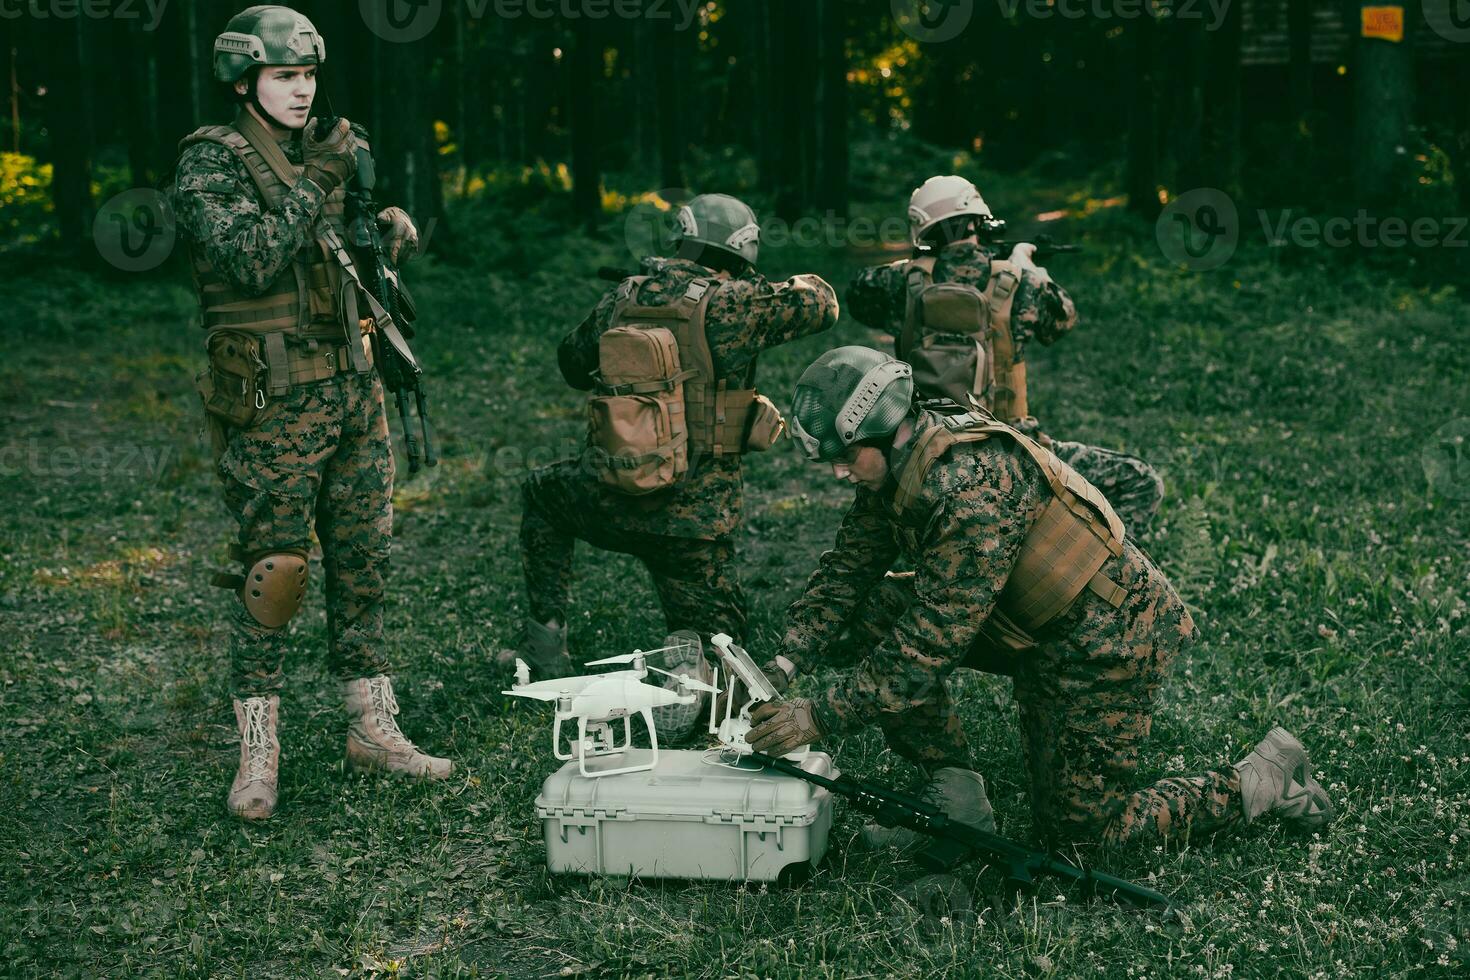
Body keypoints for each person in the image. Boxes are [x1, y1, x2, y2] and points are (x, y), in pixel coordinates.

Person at [745, 346, 1332, 851]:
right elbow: (850, 568)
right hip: (1028, 626)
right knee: (874, 611)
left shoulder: (968, 488)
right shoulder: (899, 463)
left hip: (1105, 642)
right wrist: (783, 662)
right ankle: (955, 797)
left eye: (846, 458)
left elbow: (928, 645)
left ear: (883, 430)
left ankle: (1261, 781)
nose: (840, 473)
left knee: (1080, 840)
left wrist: (816, 716)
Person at [172, 5, 450, 821]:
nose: (302, 90)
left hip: (353, 388)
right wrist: (324, 179)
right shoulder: (210, 161)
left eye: (309, 75)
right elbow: (252, 257)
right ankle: (259, 752)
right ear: (244, 80)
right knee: (276, 575)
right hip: (274, 402)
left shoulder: (319, 151)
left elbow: (328, 258)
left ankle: (372, 728)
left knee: (364, 560)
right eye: (285, 76)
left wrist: (381, 235)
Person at [511, 194, 838, 731]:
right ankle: (690, 661)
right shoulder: (735, 303)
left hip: (607, 498)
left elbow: (572, 362)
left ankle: (545, 639)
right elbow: (824, 304)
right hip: (692, 529)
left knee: (542, 493)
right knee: (726, 650)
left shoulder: (624, 295)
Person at [846, 175, 1165, 535]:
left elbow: (859, 294)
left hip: (927, 456)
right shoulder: (1022, 284)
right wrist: (1028, 269)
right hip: (1016, 451)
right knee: (1141, 481)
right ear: (978, 222)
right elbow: (1063, 318)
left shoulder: (899, 284)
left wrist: (919, 265)